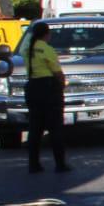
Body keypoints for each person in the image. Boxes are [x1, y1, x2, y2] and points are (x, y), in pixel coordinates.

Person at [23, 21, 71, 174]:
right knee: (55, 128)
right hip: (48, 88)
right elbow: (57, 73)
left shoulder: (26, 49)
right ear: (46, 34)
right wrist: (61, 86)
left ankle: (33, 164)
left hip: (32, 87)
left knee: (35, 128)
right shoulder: (47, 49)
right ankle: (60, 164)